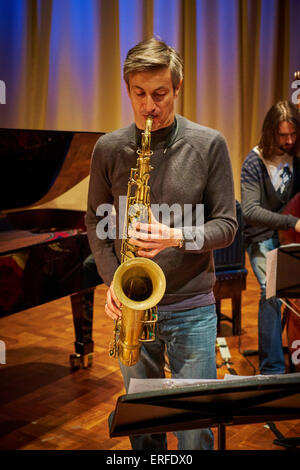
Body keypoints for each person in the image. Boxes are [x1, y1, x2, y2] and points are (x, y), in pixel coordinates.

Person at [85, 37, 237, 450]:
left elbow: (227, 224)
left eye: (160, 94)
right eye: (139, 94)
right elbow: (96, 223)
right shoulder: (109, 148)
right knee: (143, 429)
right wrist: (111, 281)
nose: (149, 107)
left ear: (178, 87)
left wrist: (177, 236)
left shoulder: (209, 144)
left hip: (193, 307)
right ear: (127, 89)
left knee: (194, 427)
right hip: (133, 307)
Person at [241, 100, 300, 376]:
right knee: (272, 292)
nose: (289, 140)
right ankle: (272, 370)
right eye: (283, 135)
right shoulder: (254, 162)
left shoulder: (297, 156)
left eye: (293, 134)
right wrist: (292, 222)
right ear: (270, 132)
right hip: (262, 236)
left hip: (290, 236)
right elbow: (251, 211)